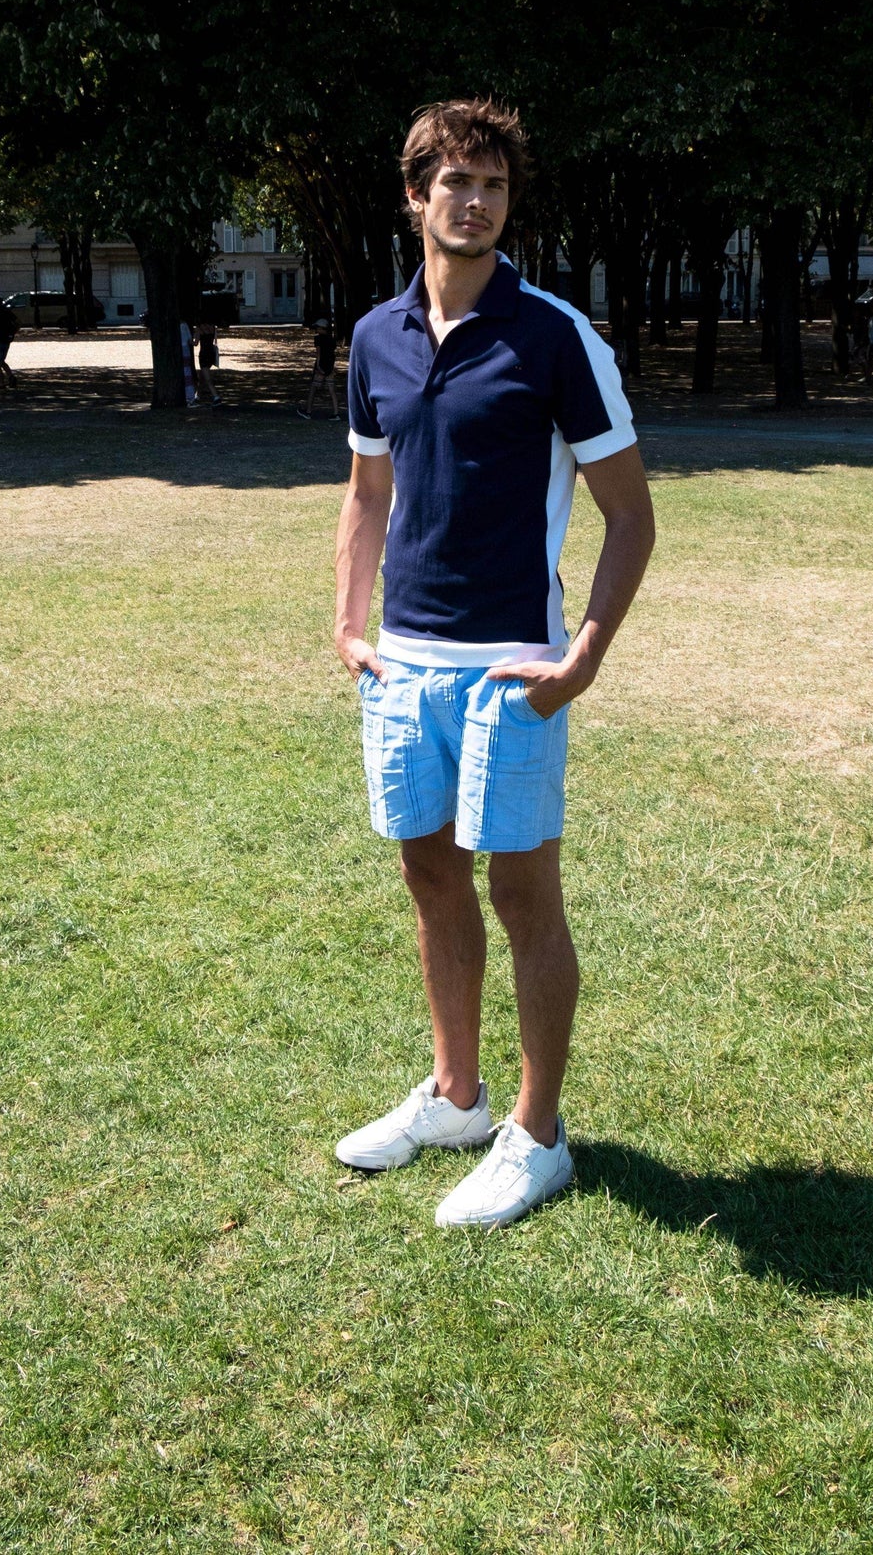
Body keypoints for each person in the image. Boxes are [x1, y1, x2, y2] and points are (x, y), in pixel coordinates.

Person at [333, 99, 655, 1229]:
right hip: (402, 667)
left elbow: (630, 515)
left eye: (493, 185)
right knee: (430, 878)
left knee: (523, 895)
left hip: (513, 669)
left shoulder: (556, 335)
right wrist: (348, 625)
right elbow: (367, 490)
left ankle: (537, 1134)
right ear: (414, 196)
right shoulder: (374, 336)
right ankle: (457, 1098)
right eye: (454, 182)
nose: (473, 202)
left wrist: (584, 658)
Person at [298, 315, 340, 420]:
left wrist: (318, 366)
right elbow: (332, 354)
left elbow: (319, 354)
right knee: (332, 390)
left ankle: (308, 411)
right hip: (329, 367)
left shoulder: (318, 339)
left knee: (313, 388)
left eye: (317, 327)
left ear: (321, 328)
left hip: (321, 367)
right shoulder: (332, 339)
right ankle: (336, 413)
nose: (316, 329)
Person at [196, 317, 221, 405]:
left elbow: (196, 343)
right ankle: (198, 395)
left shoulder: (199, 328)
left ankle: (216, 396)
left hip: (203, 353)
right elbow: (215, 340)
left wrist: (188, 341)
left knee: (207, 377)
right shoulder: (213, 327)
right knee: (202, 375)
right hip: (211, 353)